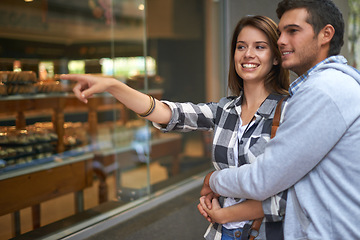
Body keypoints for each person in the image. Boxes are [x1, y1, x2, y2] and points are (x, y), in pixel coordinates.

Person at [61, 15, 290, 240]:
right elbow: (167, 113)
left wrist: (224, 213)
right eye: (241, 47)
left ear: (276, 58)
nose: (248, 54)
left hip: (263, 233)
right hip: (221, 234)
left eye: (260, 47)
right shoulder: (225, 110)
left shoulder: (289, 111)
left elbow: (284, 196)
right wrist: (113, 86)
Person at [200, 0, 360, 239]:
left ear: (326, 34)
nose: (281, 40)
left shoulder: (324, 91)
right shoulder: (327, 87)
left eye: (293, 31)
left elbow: (264, 179)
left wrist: (213, 179)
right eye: (281, 31)